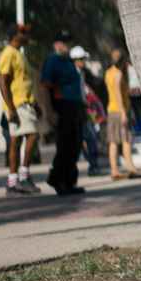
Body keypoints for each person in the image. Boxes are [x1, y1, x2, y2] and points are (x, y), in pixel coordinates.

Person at [0, 24, 41, 196]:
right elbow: (2, 81)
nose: (27, 35)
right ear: (14, 36)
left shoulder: (19, 55)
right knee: (30, 137)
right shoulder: (8, 53)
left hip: (27, 104)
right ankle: (21, 177)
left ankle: (14, 181)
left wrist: (36, 104)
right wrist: (11, 108)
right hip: (18, 105)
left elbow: (24, 83)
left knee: (18, 142)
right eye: (23, 32)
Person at [40, 30, 85, 196]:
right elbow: (45, 87)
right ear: (57, 44)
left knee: (75, 145)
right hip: (61, 106)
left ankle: (70, 181)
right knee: (65, 146)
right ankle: (57, 180)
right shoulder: (52, 61)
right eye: (65, 42)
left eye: (69, 42)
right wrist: (49, 112)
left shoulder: (68, 61)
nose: (68, 45)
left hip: (75, 107)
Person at [104, 49, 141, 180]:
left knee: (114, 141)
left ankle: (115, 170)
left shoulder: (108, 73)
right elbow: (118, 94)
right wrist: (124, 113)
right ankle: (130, 168)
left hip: (111, 110)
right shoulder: (119, 74)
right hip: (119, 111)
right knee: (126, 140)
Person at [70, 46, 104, 176]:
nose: (84, 61)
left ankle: (93, 165)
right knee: (88, 137)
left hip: (84, 109)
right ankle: (92, 165)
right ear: (76, 60)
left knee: (90, 137)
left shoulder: (82, 72)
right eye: (82, 59)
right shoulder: (73, 73)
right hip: (78, 109)